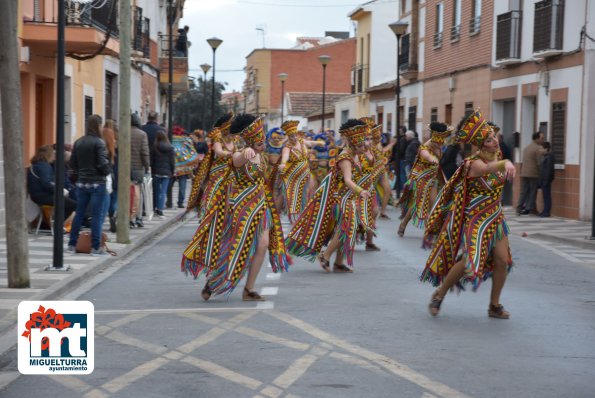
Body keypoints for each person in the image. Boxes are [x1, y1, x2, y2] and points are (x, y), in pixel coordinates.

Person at [182, 114, 291, 301]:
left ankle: (248, 290)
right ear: (251, 141)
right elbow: (236, 160)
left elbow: (273, 168)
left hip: (261, 205)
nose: (263, 143)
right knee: (237, 246)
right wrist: (245, 152)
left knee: (263, 245)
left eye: (263, 141)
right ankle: (215, 280)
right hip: (242, 208)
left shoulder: (263, 157)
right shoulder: (243, 153)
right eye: (259, 142)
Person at [422, 111, 516, 319]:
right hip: (475, 218)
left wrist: (504, 161)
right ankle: (439, 294)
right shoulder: (473, 163)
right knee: (467, 262)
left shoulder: (498, 156)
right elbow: (487, 168)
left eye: (494, 137)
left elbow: (496, 165)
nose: (495, 142)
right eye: (490, 140)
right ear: (481, 146)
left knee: (502, 260)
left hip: (496, 217)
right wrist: (505, 163)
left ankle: (494, 305)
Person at [285, 119, 374, 272]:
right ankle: (325, 256)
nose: (363, 147)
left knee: (347, 229)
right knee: (347, 228)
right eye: (360, 145)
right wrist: (361, 191)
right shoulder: (345, 158)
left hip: (349, 198)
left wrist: (367, 151)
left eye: (363, 144)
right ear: (352, 144)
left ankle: (339, 263)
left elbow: (370, 165)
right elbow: (347, 180)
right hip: (339, 198)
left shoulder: (357, 154)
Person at [397, 122, 451, 241]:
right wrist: (433, 159)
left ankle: (432, 230)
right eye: (440, 139)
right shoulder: (424, 148)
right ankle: (404, 224)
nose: (442, 141)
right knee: (417, 205)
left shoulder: (439, 145)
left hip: (432, 179)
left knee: (435, 205)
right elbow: (427, 156)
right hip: (420, 179)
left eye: (443, 138)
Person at [68, 115, 112, 256]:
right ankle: (95, 247)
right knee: (97, 216)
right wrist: (107, 170)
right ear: (98, 126)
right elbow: (102, 163)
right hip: (97, 182)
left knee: (79, 213)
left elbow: (73, 163)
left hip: (82, 182)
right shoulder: (99, 142)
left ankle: (72, 243)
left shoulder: (79, 142)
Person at [185, 114, 234, 216]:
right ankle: (207, 213)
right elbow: (219, 151)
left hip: (232, 171)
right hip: (219, 171)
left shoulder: (235, 138)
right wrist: (228, 154)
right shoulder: (218, 137)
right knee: (213, 192)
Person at [278, 120, 325, 224]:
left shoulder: (301, 141)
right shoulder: (287, 147)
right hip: (293, 177)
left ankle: (305, 215)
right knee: (293, 196)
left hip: (305, 175)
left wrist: (318, 142)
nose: (294, 138)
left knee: (307, 194)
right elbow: (285, 157)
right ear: (288, 137)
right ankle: (293, 219)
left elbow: (310, 142)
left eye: (295, 135)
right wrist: (282, 163)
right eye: (291, 136)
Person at [27, 145, 77, 226]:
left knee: (66, 202)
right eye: (53, 154)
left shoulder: (35, 165)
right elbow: (46, 184)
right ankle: (58, 226)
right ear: (48, 155)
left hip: (36, 195)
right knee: (73, 205)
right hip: (43, 195)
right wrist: (60, 190)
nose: (54, 156)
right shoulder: (44, 166)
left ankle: (56, 225)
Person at [168, 126, 198, 209]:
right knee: (182, 185)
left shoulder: (169, 139)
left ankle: (169, 202)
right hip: (184, 167)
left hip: (172, 166)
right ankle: (180, 202)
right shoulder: (186, 140)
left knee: (170, 184)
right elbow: (193, 152)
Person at [517, 131, 545, 215]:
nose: (543, 140)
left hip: (524, 172)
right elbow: (539, 162)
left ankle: (519, 207)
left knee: (523, 191)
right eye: (541, 138)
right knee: (533, 192)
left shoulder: (526, 148)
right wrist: (542, 173)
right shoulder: (538, 148)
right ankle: (532, 209)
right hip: (533, 173)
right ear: (536, 139)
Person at [130, 113, 150, 227]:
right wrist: (147, 166)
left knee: (126, 193)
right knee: (138, 193)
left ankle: (126, 216)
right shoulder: (142, 134)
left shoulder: (123, 133)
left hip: (124, 169)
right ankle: (137, 217)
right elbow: (144, 152)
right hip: (138, 168)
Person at [151, 131, 175, 217]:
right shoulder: (170, 148)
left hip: (156, 172)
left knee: (156, 191)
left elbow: (152, 161)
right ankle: (160, 209)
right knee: (163, 191)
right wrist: (172, 171)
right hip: (166, 172)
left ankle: (155, 207)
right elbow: (172, 161)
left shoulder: (155, 147)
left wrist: (152, 170)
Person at [102, 119, 118, 232]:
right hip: (113, 173)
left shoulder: (100, 142)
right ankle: (113, 216)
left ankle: (108, 217)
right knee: (114, 196)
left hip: (103, 175)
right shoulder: (115, 144)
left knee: (107, 197)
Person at [539, 141, 556, 217]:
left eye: (541, 149)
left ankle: (547, 212)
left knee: (547, 196)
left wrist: (546, 181)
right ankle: (545, 210)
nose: (540, 150)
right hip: (543, 180)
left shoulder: (549, 158)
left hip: (546, 180)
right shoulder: (545, 157)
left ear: (546, 149)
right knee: (545, 196)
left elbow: (548, 171)